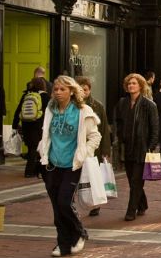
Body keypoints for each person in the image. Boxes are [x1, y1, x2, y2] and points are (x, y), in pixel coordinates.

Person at [38, 76, 101, 257]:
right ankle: (63, 244)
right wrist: (42, 151)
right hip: (50, 165)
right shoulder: (50, 110)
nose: (58, 92)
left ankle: (79, 232)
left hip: (72, 165)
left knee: (64, 202)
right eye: (56, 89)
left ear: (72, 91)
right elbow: (46, 135)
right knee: (57, 208)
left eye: (62, 89)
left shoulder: (82, 111)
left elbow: (95, 137)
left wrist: (83, 154)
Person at [114, 73, 159, 221]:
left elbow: (155, 128)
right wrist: (119, 138)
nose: (131, 86)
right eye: (129, 84)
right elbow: (118, 123)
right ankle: (143, 204)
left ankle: (130, 211)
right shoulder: (122, 103)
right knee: (132, 179)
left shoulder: (149, 105)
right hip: (127, 148)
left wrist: (151, 146)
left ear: (140, 85)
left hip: (142, 148)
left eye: (134, 83)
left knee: (136, 181)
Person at [75, 77, 112, 216]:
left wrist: (105, 150)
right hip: (76, 148)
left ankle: (95, 203)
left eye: (85, 89)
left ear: (89, 90)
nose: (83, 92)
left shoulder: (97, 106)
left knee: (92, 176)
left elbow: (103, 130)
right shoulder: (72, 105)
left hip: (93, 149)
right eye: (80, 89)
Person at [13, 77, 51, 178]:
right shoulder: (45, 96)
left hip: (26, 125)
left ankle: (34, 169)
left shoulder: (26, 95)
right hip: (39, 126)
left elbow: (18, 111)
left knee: (31, 148)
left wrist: (14, 125)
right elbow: (49, 112)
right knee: (36, 148)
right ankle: (30, 171)